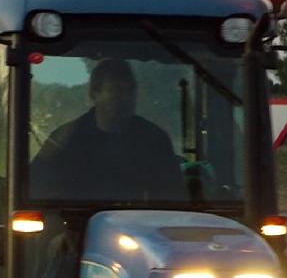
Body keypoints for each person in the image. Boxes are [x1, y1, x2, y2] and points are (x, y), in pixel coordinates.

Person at [30, 58, 186, 202]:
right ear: (94, 94)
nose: (125, 97)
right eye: (116, 89)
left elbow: (173, 196)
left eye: (129, 90)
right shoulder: (65, 140)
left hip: (139, 225)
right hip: (76, 226)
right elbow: (37, 186)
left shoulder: (154, 141)